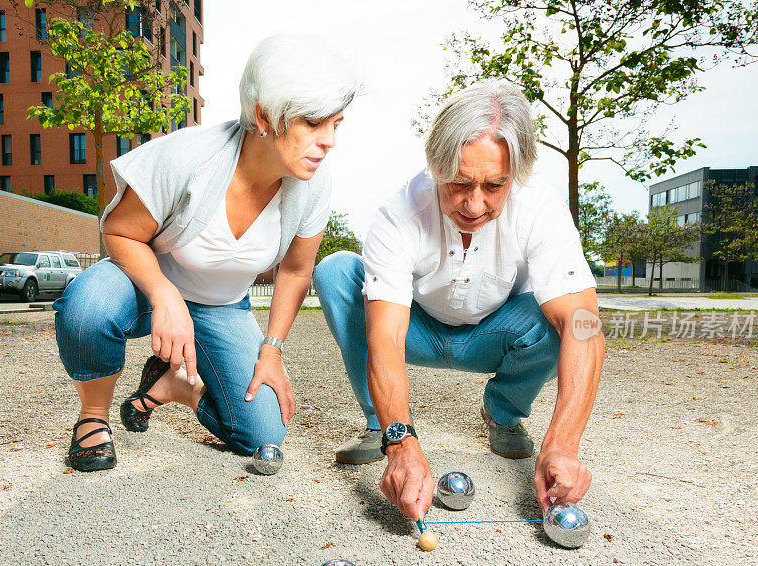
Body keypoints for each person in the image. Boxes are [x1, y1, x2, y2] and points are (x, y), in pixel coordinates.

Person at [53, 34, 362, 472]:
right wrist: (164, 295)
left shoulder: (314, 183)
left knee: (262, 435)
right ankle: (94, 417)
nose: (329, 140)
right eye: (314, 123)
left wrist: (271, 351)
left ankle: (177, 385)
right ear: (263, 116)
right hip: (146, 286)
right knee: (88, 309)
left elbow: (295, 271)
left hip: (222, 307)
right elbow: (119, 231)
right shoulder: (187, 156)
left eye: (337, 124)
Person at [313, 80, 604, 520]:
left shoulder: (541, 207)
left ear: (516, 175)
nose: (474, 203)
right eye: (459, 182)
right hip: (418, 330)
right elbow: (386, 338)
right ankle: (382, 426)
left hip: (497, 333)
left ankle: (504, 414)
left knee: (568, 315)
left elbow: (585, 325)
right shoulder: (400, 212)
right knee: (336, 272)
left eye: (494, 185)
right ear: (435, 166)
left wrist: (562, 444)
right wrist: (402, 441)